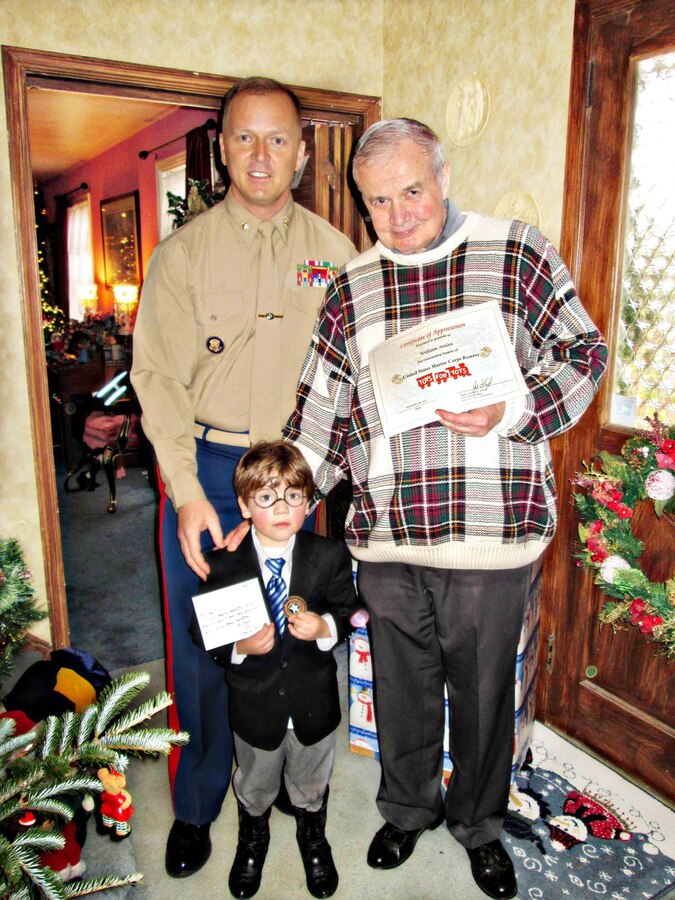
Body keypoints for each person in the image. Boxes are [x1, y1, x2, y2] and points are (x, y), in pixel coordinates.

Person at [279, 119, 608, 898]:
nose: (396, 216)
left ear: (445, 175)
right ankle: (405, 809)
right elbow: (321, 411)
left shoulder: (515, 251)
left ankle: (479, 824)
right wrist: (279, 504)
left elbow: (583, 351)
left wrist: (513, 408)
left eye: (412, 192)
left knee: (486, 694)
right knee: (400, 688)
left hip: (493, 534)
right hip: (388, 537)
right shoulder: (350, 286)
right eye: (377, 201)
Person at [130, 77, 356, 878]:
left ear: (301, 152)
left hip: (297, 474)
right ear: (222, 146)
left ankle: (299, 791)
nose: (260, 155)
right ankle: (198, 805)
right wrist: (190, 495)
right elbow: (155, 377)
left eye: (277, 139)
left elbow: (351, 377)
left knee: (292, 631)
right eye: (243, 137)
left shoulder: (335, 256)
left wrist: (314, 484)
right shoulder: (183, 254)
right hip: (210, 467)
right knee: (208, 643)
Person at [191, 441, 357, 899]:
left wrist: (325, 626)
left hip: (312, 699)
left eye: (293, 496)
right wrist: (240, 646)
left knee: (311, 779)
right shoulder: (225, 564)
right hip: (255, 702)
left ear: (308, 503)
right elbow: (201, 630)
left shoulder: (328, 555)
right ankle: (252, 838)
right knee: (256, 780)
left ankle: (313, 836)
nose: (281, 508)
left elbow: (350, 610)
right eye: (266, 497)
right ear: (245, 504)